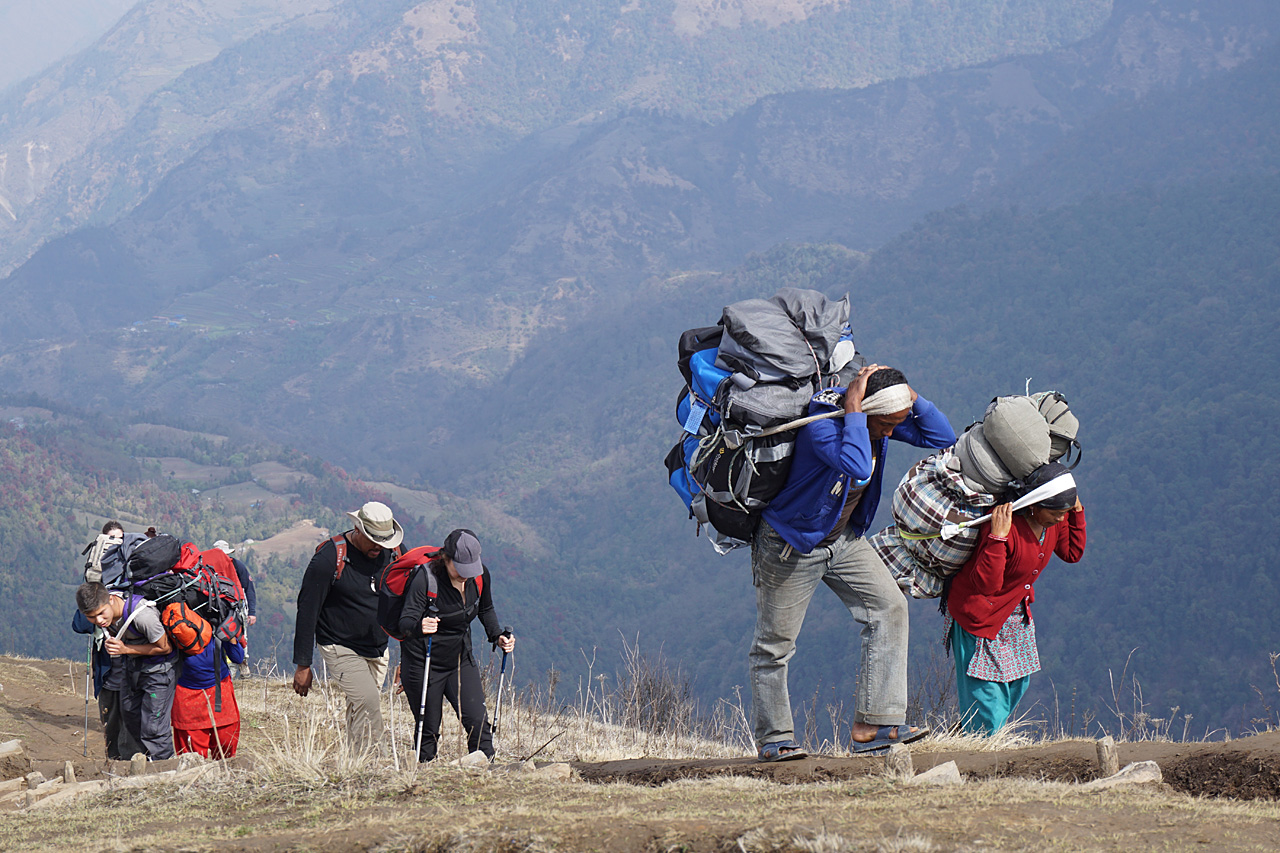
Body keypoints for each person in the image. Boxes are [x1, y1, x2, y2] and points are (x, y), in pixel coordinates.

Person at [750, 365, 956, 761]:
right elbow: (858, 465)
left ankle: (873, 726)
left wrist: (909, 397)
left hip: (842, 540)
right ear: (867, 410)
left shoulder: (879, 422)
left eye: (898, 423)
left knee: (890, 607)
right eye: (889, 423)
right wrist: (855, 410)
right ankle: (775, 740)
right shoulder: (823, 427)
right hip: (792, 545)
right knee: (774, 646)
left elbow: (942, 437)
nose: (894, 432)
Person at [944, 462, 1086, 735]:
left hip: (1015, 618)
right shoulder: (1004, 527)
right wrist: (997, 538)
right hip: (980, 622)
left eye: (1064, 513)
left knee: (1016, 686)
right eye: (1056, 513)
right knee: (989, 701)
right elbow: (986, 584)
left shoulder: (1052, 524)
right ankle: (982, 752)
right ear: (1034, 504)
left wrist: (1076, 511)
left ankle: (967, 736)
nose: (1060, 519)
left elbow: (1072, 552)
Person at [292, 501, 405, 754]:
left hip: (377, 646)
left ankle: (356, 763)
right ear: (358, 528)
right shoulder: (330, 558)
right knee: (368, 701)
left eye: (384, 541)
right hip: (339, 644)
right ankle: (380, 761)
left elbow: (408, 604)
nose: (379, 547)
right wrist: (303, 664)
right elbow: (307, 609)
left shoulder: (395, 553)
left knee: (361, 707)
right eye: (373, 539)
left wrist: (409, 657)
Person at [397, 529, 515, 762]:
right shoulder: (426, 578)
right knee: (428, 732)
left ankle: (486, 778)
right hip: (423, 663)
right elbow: (404, 623)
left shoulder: (479, 577)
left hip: (460, 659)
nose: (465, 575)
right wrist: (421, 625)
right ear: (446, 558)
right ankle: (422, 781)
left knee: (479, 725)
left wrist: (497, 636)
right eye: (460, 569)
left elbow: (485, 608)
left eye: (470, 569)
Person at [75, 581, 177, 760]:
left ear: (112, 600)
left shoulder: (142, 615)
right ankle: (141, 764)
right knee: (130, 716)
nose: (99, 620)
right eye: (91, 617)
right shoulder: (104, 616)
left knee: (153, 727)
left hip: (160, 670)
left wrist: (125, 649)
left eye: (101, 613)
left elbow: (165, 648)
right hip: (133, 669)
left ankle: (164, 769)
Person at [172, 637, 246, 758]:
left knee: (225, 745)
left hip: (215, 688)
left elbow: (237, 657)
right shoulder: (175, 620)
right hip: (190, 690)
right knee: (193, 758)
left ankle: (222, 774)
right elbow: (238, 657)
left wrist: (229, 632)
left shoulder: (220, 620)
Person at [212, 540, 258, 627]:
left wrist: (251, 612)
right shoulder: (209, 567)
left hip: (235, 607)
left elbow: (249, 588)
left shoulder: (237, 565)